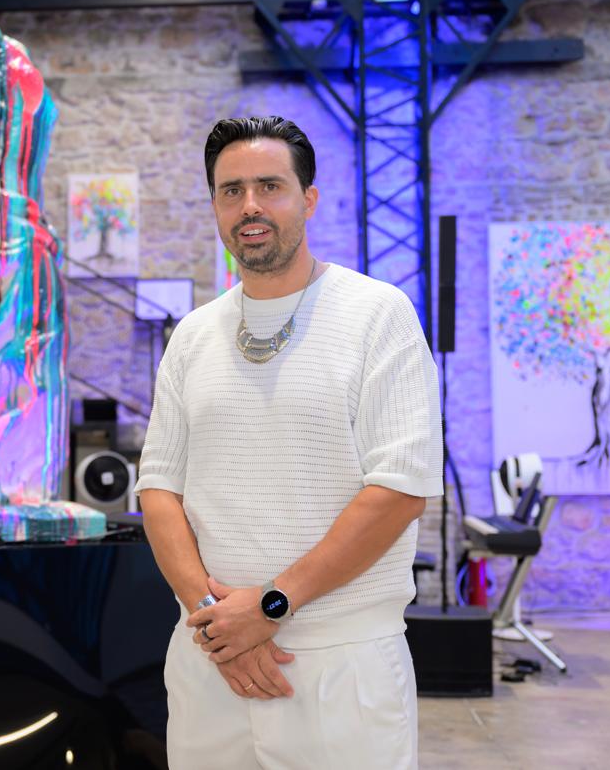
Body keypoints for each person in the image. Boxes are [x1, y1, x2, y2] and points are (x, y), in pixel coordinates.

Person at [135, 116, 443, 770]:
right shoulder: (191, 337)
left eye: (270, 186)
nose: (250, 205)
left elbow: (400, 489)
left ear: (308, 198)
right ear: (215, 206)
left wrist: (271, 605)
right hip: (210, 660)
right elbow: (158, 488)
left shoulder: (377, 313)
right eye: (231, 190)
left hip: (339, 662)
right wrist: (217, 619)